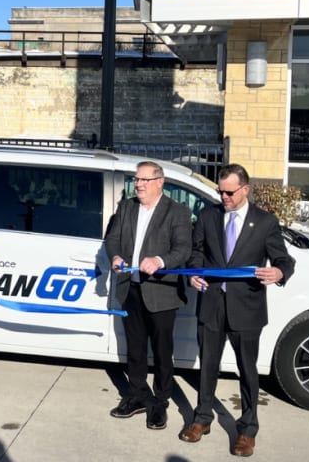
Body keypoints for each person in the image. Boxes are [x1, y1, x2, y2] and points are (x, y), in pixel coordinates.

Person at [179, 164, 295, 457]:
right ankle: (202, 419)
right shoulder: (208, 216)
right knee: (207, 366)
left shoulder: (265, 222)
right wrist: (193, 273)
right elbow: (196, 252)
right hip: (212, 305)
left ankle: (247, 429)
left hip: (247, 309)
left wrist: (279, 272)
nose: (224, 197)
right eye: (221, 191)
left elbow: (284, 259)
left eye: (230, 192)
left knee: (247, 371)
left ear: (245, 189)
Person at [105, 161, 192, 430]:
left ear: (159, 182)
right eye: (136, 179)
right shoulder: (127, 207)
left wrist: (160, 260)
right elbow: (112, 239)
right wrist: (116, 256)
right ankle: (138, 396)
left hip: (161, 293)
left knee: (163, 352)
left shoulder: (177, 212)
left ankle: (160, 403)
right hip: (130, 289)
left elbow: (183, 250)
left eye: (144, 180)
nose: (138, 184)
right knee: (135, 350)